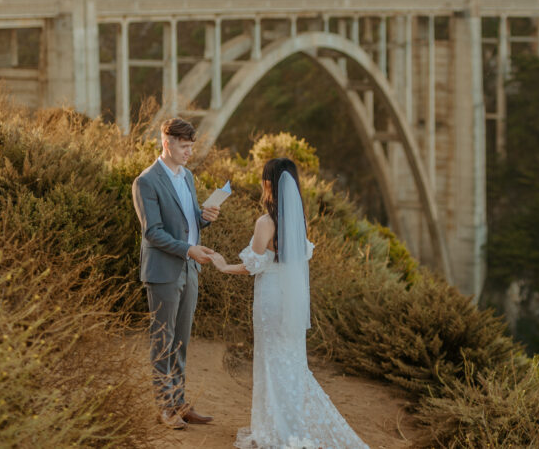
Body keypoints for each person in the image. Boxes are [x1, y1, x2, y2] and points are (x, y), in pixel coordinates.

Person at [210, 158, 368, 449]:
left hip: (270, 299)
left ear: (268, 183)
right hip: (291, 302)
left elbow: (253, 265)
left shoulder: (265, 222)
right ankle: (288, 425)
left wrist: (222, 265)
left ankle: (274, 429)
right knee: (291, 363)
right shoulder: (298, 220)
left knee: (271, 361)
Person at [132, 117, 220, 430]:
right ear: (167, 143)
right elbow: (153, 232)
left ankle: (180, 403)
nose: (189, 153)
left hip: (190, 267)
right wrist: (188, 249)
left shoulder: (188, 177)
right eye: (184, 147)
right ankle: (165, 407)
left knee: (181, 340)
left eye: (191, 147)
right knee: (163, 340)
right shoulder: (146, 181)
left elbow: (187, 221)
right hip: (164, 271)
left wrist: (205, 217)